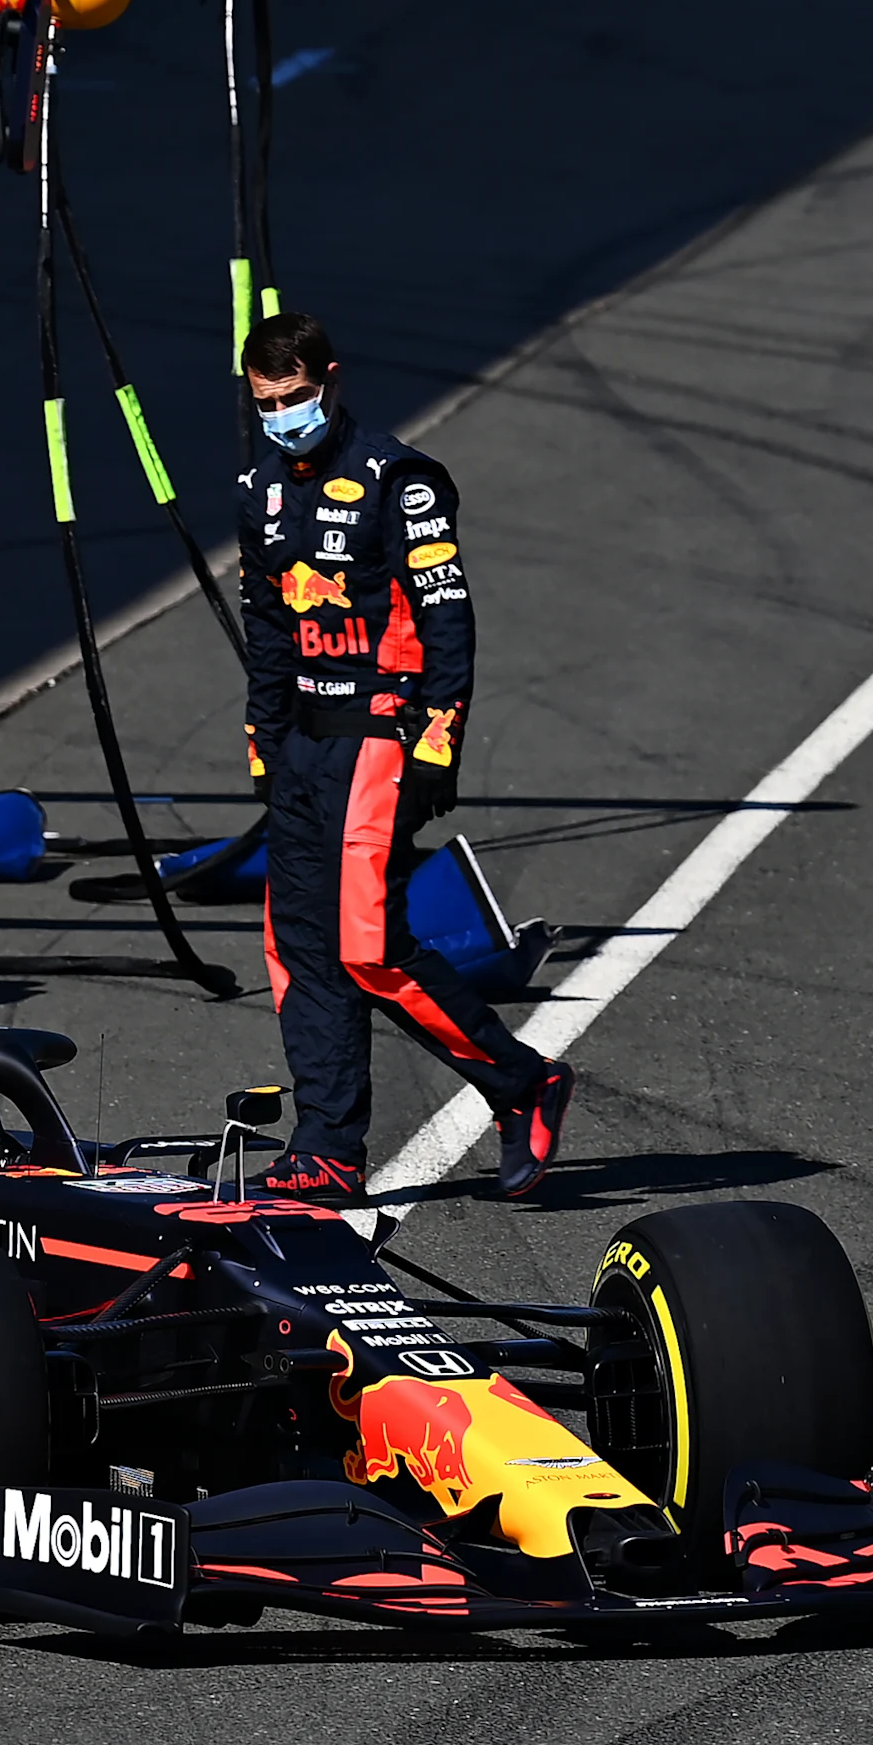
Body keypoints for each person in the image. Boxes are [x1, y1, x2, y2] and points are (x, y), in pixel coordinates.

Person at [236, 310, 571, 1200]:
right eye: (267, 401)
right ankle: (328, 1147)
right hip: (302, 745)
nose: (284, 415)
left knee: (369, 947)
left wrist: (437, 743)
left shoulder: (400, 480)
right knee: (295, 946)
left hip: (381, 737)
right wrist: (263, 748)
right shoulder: (259, 489)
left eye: (298, 396)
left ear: (331, 380)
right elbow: (266, 632)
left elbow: (446, 620)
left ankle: (523, 1081)